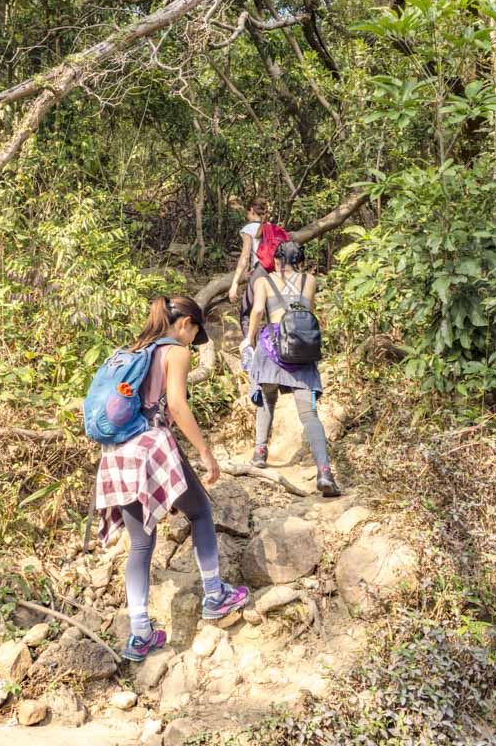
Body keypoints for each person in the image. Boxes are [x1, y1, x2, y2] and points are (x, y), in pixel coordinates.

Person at [94, 295, 250, 662]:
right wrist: (207, 454)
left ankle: (140, 634)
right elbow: (177, 406)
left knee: (140, 543)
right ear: (185, 325)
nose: (190, 342)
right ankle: (214, 595)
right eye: (193, 334)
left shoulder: (132, 350)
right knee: (200, 513)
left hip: (117, 453)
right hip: (151, 447)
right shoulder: (174, 351)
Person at [247, 241, 340, 497]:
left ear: (276, 261)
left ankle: (259, 452)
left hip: (272, 345)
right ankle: (324, 471)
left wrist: (251, 339)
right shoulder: (309, 280)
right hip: (300, 346)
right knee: (309, 414)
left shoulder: (263, 282)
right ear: (301, 262)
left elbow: (257, 312)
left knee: (267, 397)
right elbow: (308, 312)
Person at [228, 196, 270, 341]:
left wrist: (235, 283)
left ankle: (250, 347)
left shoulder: (249, 229)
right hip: (275, 272)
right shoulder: (271, 227)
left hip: (260, 272)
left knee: (246, 312)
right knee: (270, 312)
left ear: (252, 210)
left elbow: (245, 257)